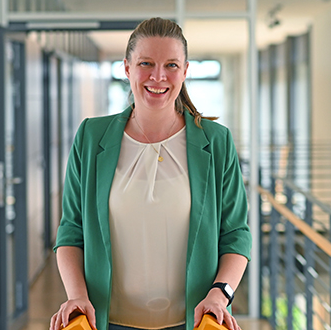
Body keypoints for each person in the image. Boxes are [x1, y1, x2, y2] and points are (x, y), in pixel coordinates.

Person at [50, 17, 252, 330]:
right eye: (146, 63)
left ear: (185, 72)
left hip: (194, 321)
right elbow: (71, 230)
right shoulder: (91, 137)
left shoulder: (217, 141)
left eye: (171, 65)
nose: (158, 76)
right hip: (105, 320)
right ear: (127, 68)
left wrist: (219, 293)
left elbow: (236, 235)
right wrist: (75, 295)